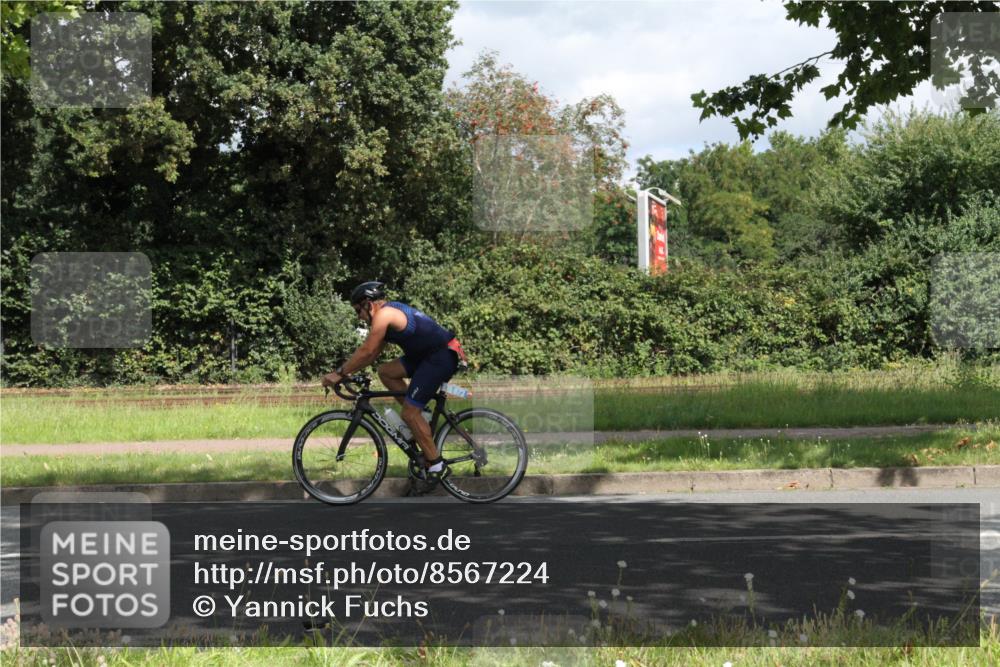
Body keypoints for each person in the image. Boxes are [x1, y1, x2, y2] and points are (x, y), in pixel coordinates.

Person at [321, 281, 467, 486]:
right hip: (427, 355)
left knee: (409, 413)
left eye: (358, 311)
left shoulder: (385, 315)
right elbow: (371, 356)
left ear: (368, 304)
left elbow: (367, 351)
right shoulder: (386, 314)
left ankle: (436, 465)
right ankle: (421, 418)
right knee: (386, 372)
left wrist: (339, 373)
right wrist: (348, 373)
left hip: (439, 357)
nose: (359, 317)